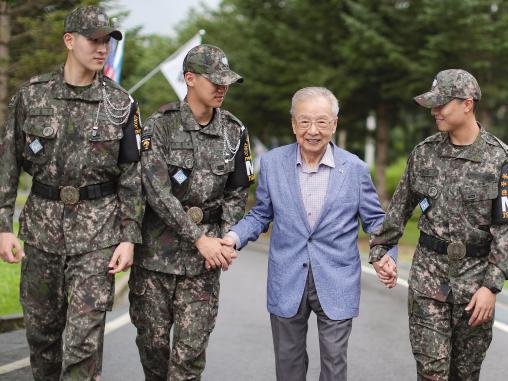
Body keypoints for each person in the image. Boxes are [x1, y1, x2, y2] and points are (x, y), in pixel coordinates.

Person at [0, 5, 142, 380]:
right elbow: (8, 166)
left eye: (107, 41)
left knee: (82, 343)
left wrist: (129, 236)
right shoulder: (32, 96)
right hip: (42, 231)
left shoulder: (122, 104)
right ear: (69, 40)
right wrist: (3, 227)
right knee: (42, 337)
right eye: (93, 40)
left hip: (98, 234)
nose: (102, 48)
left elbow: (132, 176)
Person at [225, 86, 397, 381]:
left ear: (334, 124)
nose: (313, 130)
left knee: (334, 366)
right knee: (288, 366)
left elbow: (375, 220)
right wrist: (233, 237)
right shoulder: (272, 163)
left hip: (337, 278)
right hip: (286, 277)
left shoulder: (354, 168)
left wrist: (388, 255)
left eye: (321, 121)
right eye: (304, 122)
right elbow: (261, 213)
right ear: (293, 125)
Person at [370, 69, 508, 380]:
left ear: (467, 104)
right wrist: (380, 249)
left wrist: (490, 286)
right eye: (433, 104)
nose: (435, 111)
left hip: (475, 286)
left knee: (465, 373)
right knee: (432, 373)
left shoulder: (505, 163)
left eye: (442, 104)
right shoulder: (424, 154)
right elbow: (398, 210)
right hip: (429, 279)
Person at [129, 44, 253, 380]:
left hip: (204, 264)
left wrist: (227, 238)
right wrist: (198, 238)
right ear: (190, 79)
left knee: (189, 358)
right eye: (214, 80)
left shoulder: (234, 131)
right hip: (155, 259)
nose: (222, 87)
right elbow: (156, 191)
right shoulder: (160, 127)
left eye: (226, 81)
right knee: (153, 350)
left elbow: (238, 189)